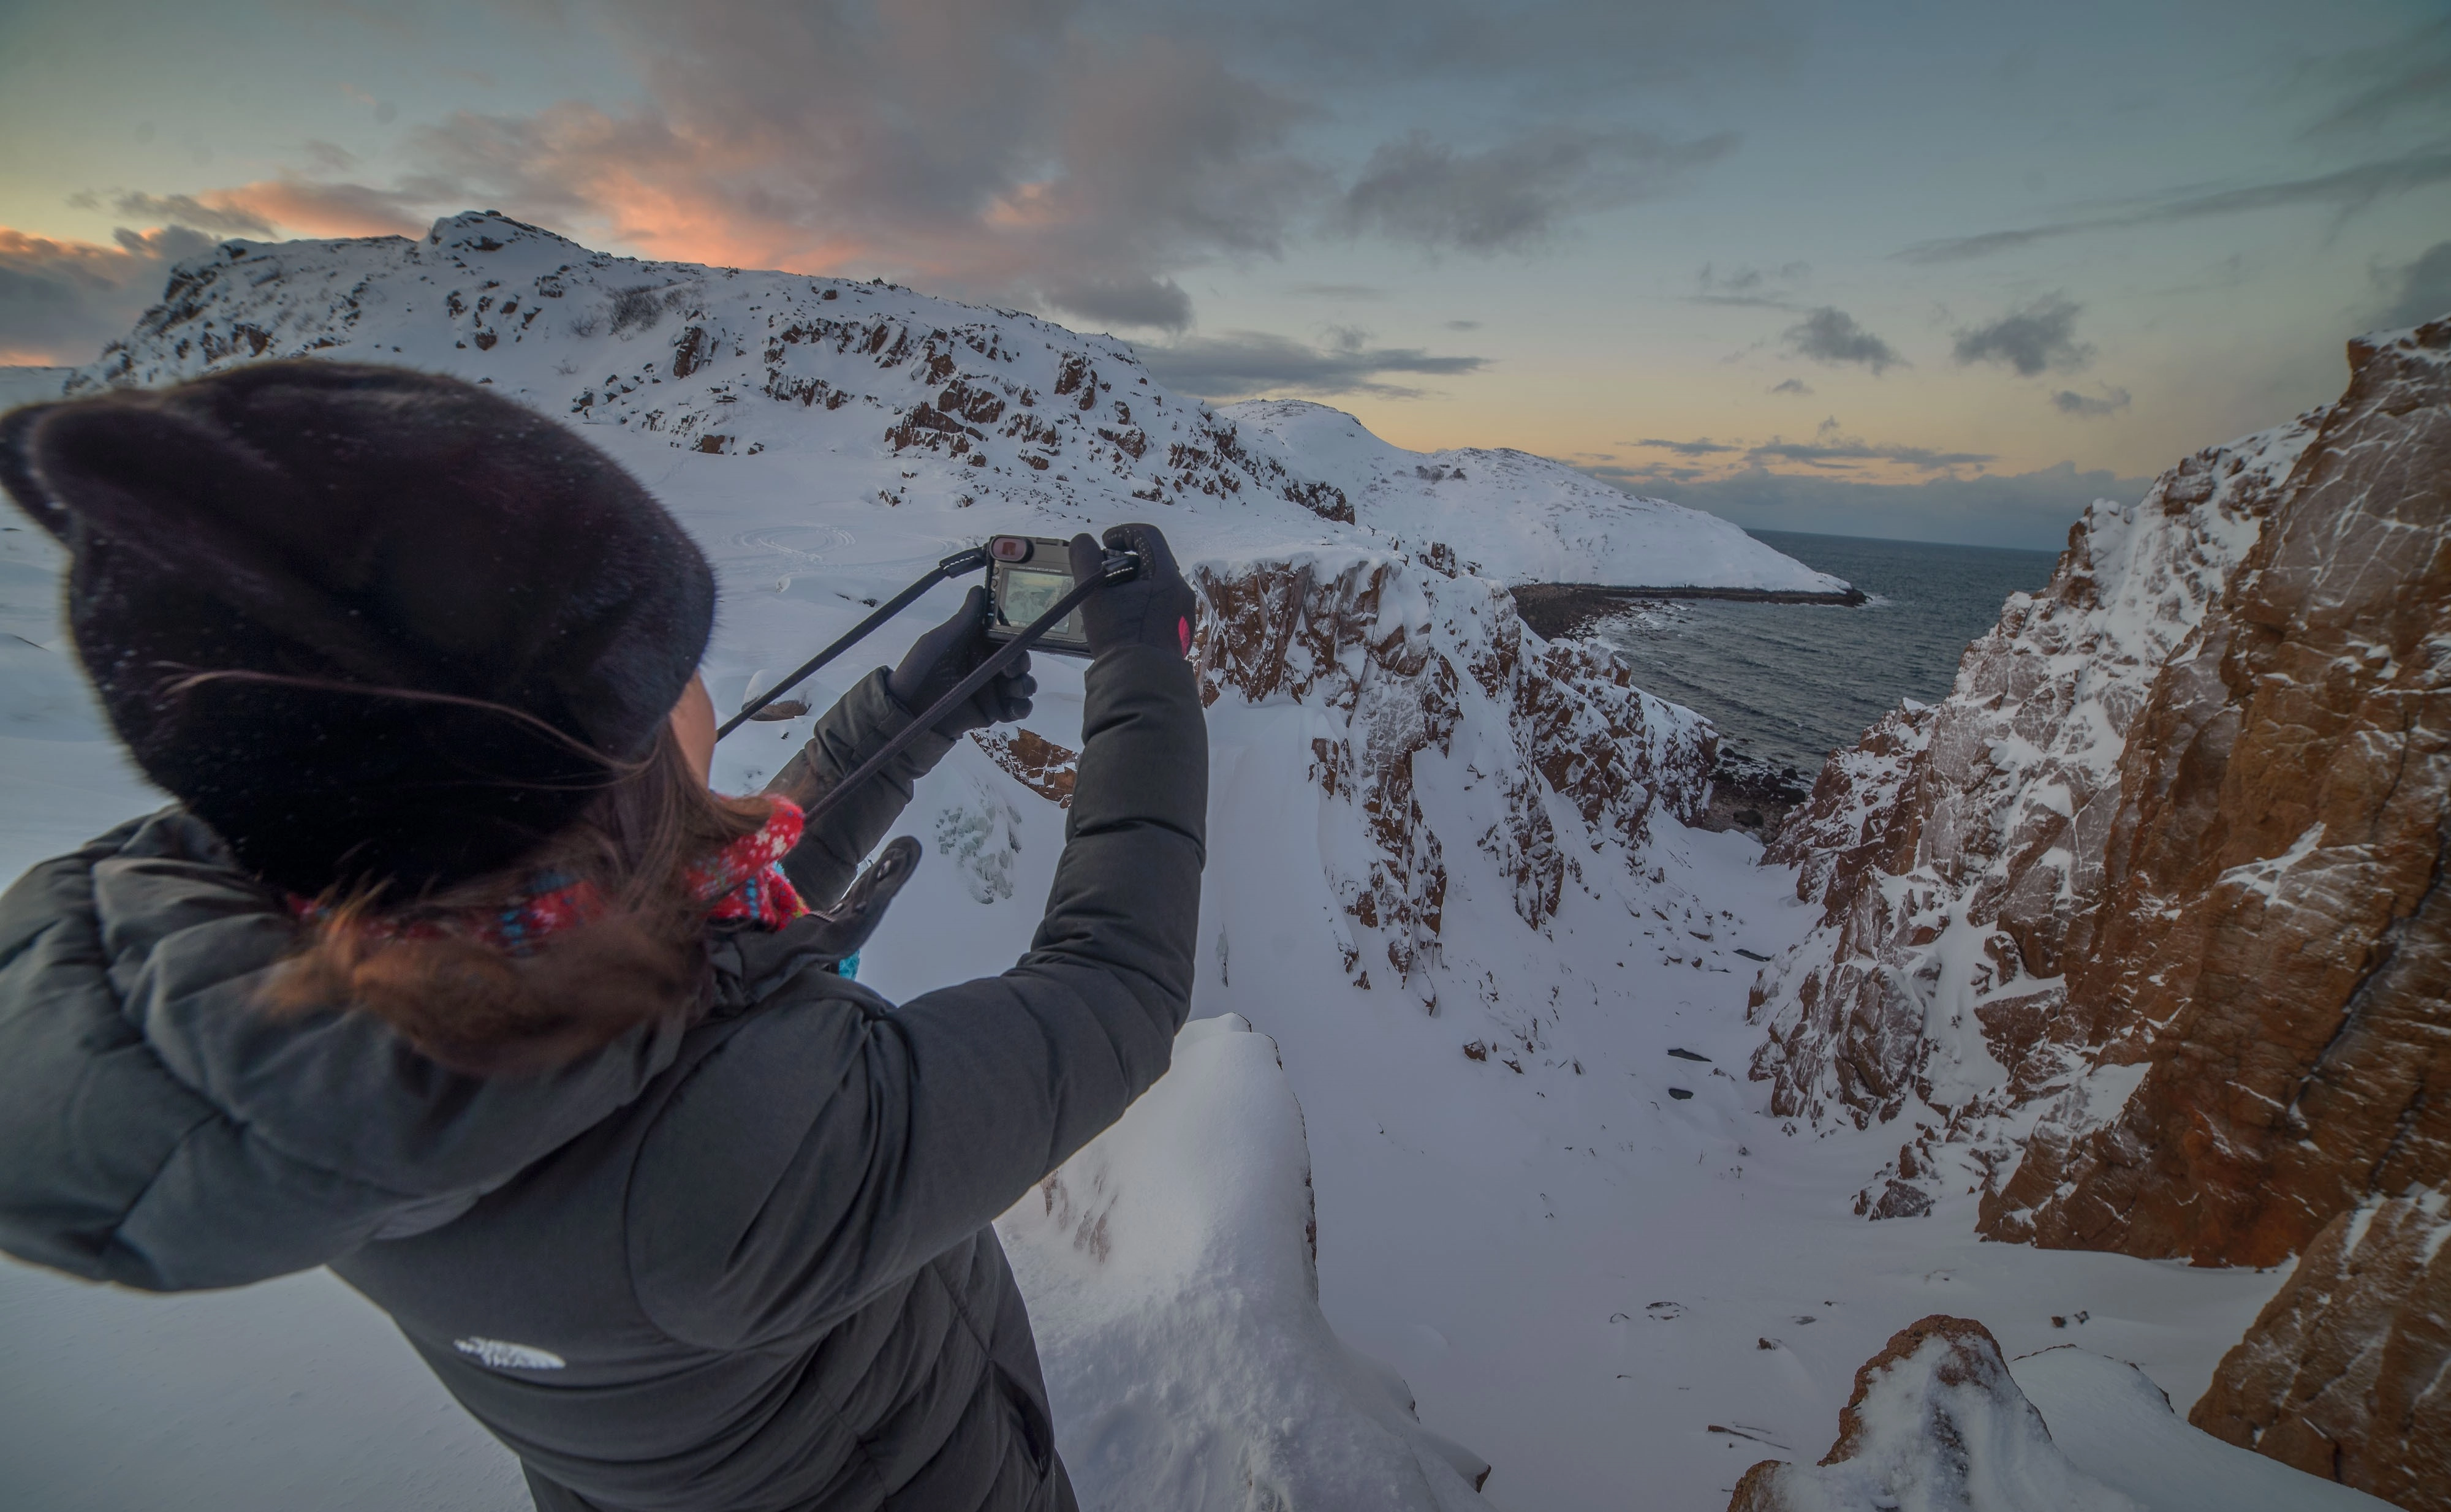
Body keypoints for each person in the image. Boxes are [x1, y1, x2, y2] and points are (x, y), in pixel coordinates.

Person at [0, 361, 1207, 1511]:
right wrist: (1147, 671)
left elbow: (695, 931)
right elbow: (1113, 989)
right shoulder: (743, 1159)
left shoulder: (334, 1046)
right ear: (589, 783)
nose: (695, 690)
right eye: (657, 669)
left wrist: (913, 701)